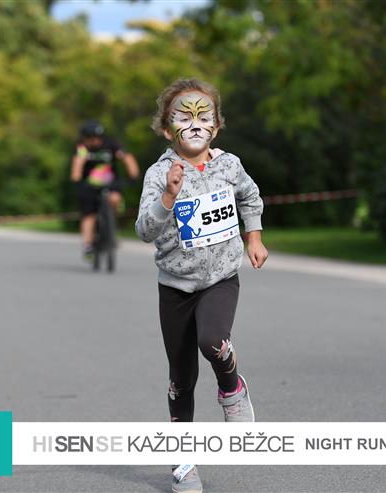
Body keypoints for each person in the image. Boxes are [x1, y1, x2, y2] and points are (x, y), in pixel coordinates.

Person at [135, 78, 268, 493]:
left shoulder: (229, 165)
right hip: (175, 286)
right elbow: (143, 230)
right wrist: (168, 197)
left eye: (203, 116)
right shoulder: (159, 174)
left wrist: (254, 237)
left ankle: (232, 388)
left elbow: (250, 198)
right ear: (166, 129)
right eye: (183, 117)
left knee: (212, 341)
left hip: (220, 278)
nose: (194, 125)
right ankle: (184, 461)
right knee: (181, 379)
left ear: (216, 125)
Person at [70, 121, 139, 259]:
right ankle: (88, 245)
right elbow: (78, 162)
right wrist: (76, 177)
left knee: (114, 199)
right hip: (89, 184)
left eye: (97, 138)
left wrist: (133, 175)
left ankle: (111, 227)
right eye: (91, 138)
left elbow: (127, 158)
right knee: (89, 214)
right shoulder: (82, 148)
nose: (95, 141)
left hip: (110, 182)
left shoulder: (111, 145)